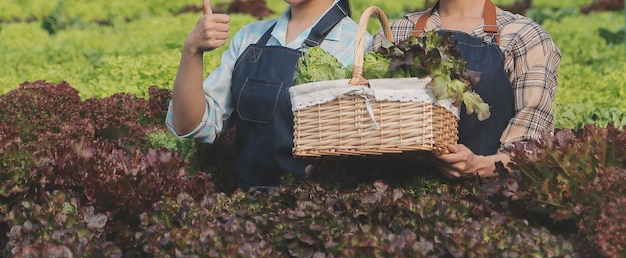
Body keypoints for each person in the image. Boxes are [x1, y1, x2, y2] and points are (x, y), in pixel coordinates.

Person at [166, 0, 367, 191]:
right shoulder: (250, 37)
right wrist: (192, 51)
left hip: (317, 214)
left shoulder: (360, 47)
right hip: (248, 215)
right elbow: (191, 125)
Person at [371, 0, 561, 179]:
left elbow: (531, 148)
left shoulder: (524, 36)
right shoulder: (394, 33)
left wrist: (479, 166)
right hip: (402, 197)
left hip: (486, 201)